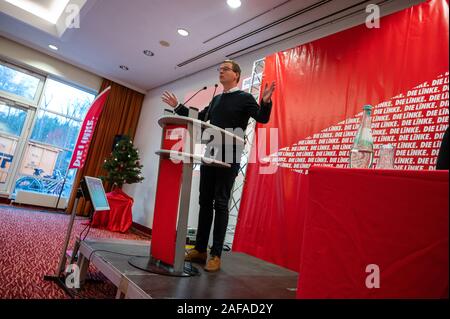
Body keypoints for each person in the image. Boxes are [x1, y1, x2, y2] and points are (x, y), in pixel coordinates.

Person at [161, 60, 276, 272]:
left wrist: (266, 102)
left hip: (229, 154)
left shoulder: (245, 98)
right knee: (204, 200)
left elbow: (262, 118)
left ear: (236, 75)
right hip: (210, 152)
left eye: (225, 69)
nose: (221, 72)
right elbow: (200, 117)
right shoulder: (216, 99)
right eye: (220, 69)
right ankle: (200, 249)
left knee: (221, 203)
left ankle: (215, 254)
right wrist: (178, 107)